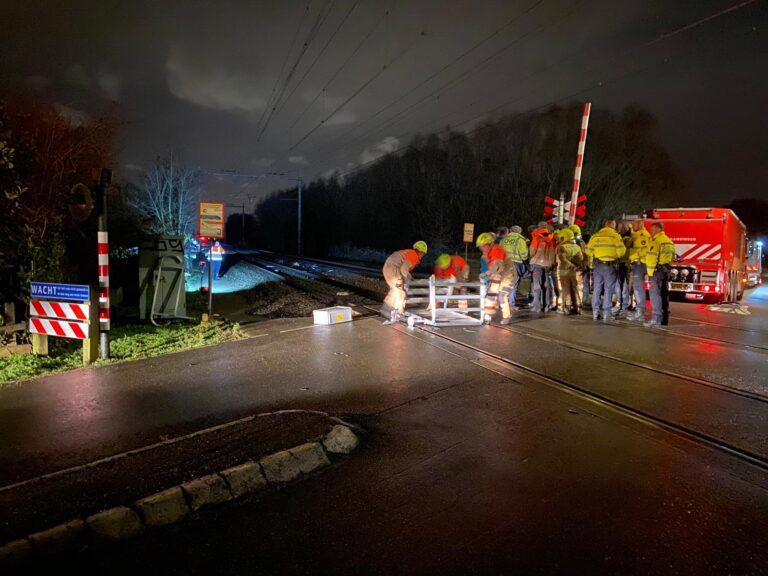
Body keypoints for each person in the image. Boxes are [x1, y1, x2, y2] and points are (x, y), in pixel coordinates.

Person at [585, 220, 626, 322]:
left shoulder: (595, 236)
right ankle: (606, 314)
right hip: (610, 265)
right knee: (608, 289)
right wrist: (613, 255)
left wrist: (597, 254)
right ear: (612, 225)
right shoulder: (615, 236)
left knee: (597, 288)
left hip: (598, 265)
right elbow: (622, 252)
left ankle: (595, 313)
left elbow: (588, 251)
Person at [382, 241, 428, 321]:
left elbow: (403, 268)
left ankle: (387, 309)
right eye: (423, 254)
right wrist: (410, 280)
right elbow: (404, 270)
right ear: (420, 252)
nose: (422, 256)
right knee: (401, 293)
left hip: (387, 268)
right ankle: (398, 313)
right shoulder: (414, 255)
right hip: (393, 269)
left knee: (395, 290)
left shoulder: (408, 252)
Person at [476, 232, 516, 325]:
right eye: (480, 246)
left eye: (483, 246)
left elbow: (497, 266)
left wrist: (486, 274)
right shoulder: (486, 252)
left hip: (507, 276)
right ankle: (488, 315)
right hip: (497, 275)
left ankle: (506, 317)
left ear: (489, 244)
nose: (481, 248)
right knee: (491, 294)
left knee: (502, 295)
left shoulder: (497, 250)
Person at [644, 222, 675, 328]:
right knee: (663, 295)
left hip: (656, 271)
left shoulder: (656, 241)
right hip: (665, 271)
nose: (650, 232)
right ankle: (664, 319)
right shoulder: (669, 241)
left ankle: (656, 319)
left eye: (652, 229)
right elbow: (672, 258)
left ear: (657, 229)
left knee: (655, 296)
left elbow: (652, 257)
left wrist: (649, 270)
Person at [529, 222, 557, 313]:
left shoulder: (537, 238)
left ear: (539, 228)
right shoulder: (553, 239)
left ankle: (537, 306)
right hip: (548, 265)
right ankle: (546, 305)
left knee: (537, 286)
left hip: (537, 264)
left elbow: (532, 252)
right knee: (546, 285)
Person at [626, 219, 651, 322]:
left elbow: (645, 250)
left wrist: (633, 257)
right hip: (639, 263)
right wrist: (631, 229)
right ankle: (639, 312)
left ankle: (640, 313)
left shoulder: (643, 236)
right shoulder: (638, 234)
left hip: (641, 264)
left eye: (635, 224)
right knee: (638, 288)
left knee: (638, 289)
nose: (633, 226)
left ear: (640, 225)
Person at [556, 228, 584, 314]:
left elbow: (561, 259)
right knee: (574, 288)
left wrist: (570, 265)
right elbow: (581, 258)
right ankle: (577, 306)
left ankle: (566, 307)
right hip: (573, 271)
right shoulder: (577, 247)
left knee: (565, 289)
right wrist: (576, 266)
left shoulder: (562, 247)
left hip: (563, 270)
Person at [501, 225, 529, 310]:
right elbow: (524, 255)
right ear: (519, 232)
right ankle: (511, 304)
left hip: (504, 264)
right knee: (514, 284)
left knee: (504, 283)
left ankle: (502, 302)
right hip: (516, 264)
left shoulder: (504, 239)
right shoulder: (520, 240)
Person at [612, 222, 632, 316]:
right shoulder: (621, 236)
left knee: (624, 285)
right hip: (620, 263)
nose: (621, 229)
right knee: (620, 285)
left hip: (625, 263)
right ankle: (622, 305)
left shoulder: (627, 238)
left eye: (622, 227)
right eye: (620, 227)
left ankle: (624, 306)